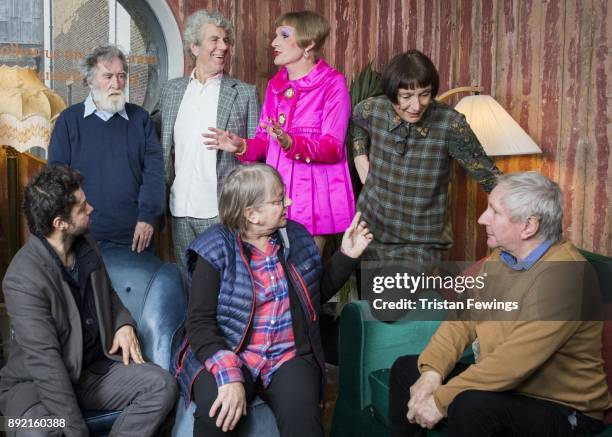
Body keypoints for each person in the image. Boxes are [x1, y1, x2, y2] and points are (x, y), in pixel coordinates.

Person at [389, 171, 611, 436]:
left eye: (494, 211)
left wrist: (440, 400)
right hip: (512, 388)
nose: (483, 218)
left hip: (563, 407)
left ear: (529, 226)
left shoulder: (566, 276)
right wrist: (432, 372)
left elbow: (513, 362)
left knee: (471, 406)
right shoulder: (500, 258)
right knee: (408, 369)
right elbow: (462, 321)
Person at [172, 163, 372, 436]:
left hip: (286, 355)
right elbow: (199, 322)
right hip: (230, 351)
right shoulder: (214, 248)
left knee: (303, 419)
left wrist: (347, 256)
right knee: (217, 411)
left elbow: (311, 295)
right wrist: (228, 374)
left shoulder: (296, 236)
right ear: (252, 214)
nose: (288, 202)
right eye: (279, 199)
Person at [0, 166, 177, 437]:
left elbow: (109, 295)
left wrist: (122, 323)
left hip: (91, 372)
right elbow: (46, 364)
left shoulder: (85, 243)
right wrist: (74, 430)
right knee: (34, 431)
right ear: (60, 223)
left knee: (162, 386)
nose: (91, 209)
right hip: (38, 385)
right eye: (82, 208)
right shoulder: (22, 278)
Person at [205, 10, 354, 253]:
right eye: (275, 36)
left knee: (304, 273)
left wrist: (290, 142)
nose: (274, 42)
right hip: (273, 192)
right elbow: (265, 141)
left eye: (283, 36)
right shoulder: (276, 84)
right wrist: (241, 146)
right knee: (274, 274)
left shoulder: (332, 83)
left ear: (309, 44)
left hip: (311, 195)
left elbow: (333, 147)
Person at [350, 49, 501, 266]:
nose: (416, 105)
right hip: (371, 228)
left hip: (421, 238)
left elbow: (490, 177)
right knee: (375, 296)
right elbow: (357, 122)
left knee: (398, 295)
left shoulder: (451, 124)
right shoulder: (372, 109)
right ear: (391, 93)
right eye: (406, 96)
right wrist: (359, 155)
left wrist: (524, 212)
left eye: (424, 94)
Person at [152, 10, 259, 276]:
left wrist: (241, 146)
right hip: (179, 209)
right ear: (194, 46)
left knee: (226, 284)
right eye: (214, 40)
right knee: (188, 283)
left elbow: (259, 157)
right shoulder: (171, 91)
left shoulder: (244, 94)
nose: (223, 46)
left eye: (226, 40)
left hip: (222, 211)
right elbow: (152, 140)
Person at [48, 45, 165, 253]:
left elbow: (154, 173)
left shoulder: (141, 119)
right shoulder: (69, 120)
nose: (116, 83)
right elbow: (57, 176)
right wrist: (74, 216)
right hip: (82, 236)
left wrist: (148, 217)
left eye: (121, 76)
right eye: (108, 76)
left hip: (136, 235)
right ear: (90, 80)